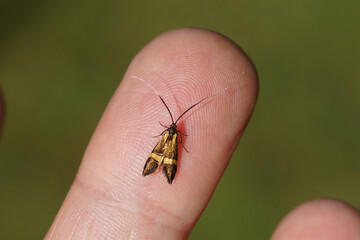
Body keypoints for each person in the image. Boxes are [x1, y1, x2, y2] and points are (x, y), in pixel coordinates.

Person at [2, 28, 358, 239]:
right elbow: (173, 139)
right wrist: (173, 141)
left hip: (164, 149)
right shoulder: (174, 137)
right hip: (169, 148)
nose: (172, 131)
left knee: (164, 156)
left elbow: (169, 140)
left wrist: (168, 141)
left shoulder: (169, 138)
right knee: (169, 155)